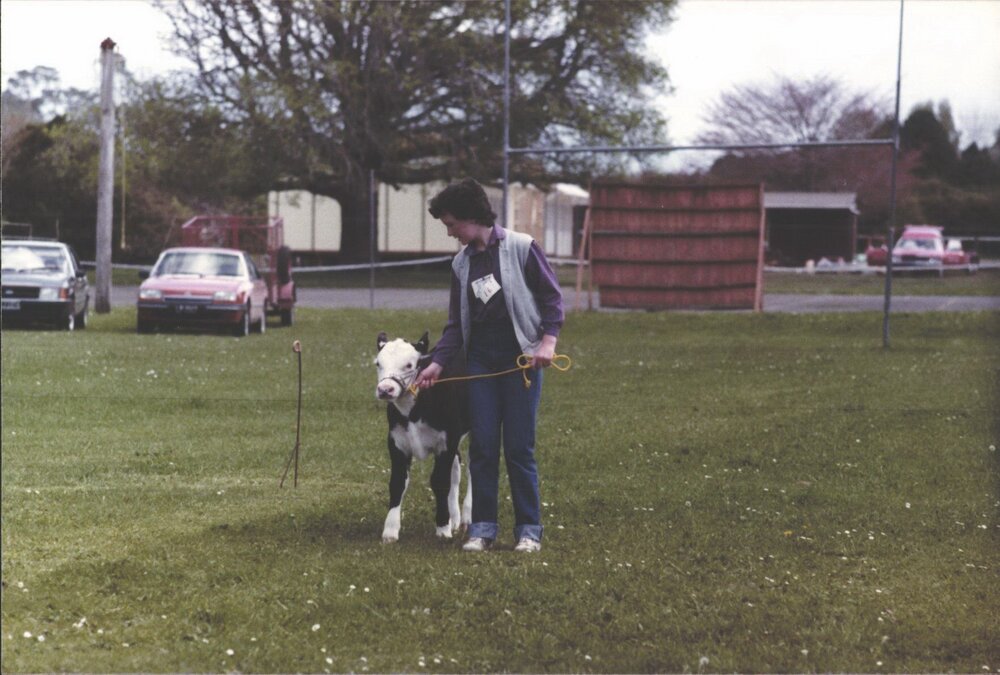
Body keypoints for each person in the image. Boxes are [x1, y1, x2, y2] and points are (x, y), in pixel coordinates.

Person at [413, 178, 564, 553]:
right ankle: (482, 528)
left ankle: (529, 530)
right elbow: (455, 324)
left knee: (518, 448)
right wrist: (438, 364)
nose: (450, 233)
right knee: (482, 445)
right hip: (480, 363)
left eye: (452, 224)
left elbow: (552, 298)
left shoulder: (521, 247)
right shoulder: (461, 264)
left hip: (520, 361)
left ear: (471, 216)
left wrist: (547, 342)